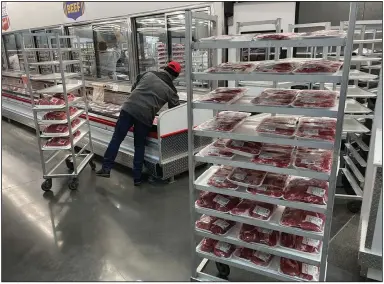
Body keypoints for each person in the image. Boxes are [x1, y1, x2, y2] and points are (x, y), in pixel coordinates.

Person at [96, 61, 181, 185]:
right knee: (139, 146)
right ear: (175, 76)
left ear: (165, 68)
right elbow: (175, 110)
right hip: (145, 117)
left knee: (116, 139)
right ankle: (137, 178)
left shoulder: (148, 74)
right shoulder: (172, 90)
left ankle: (106, 168)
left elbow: (133, 88)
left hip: (129, 108)